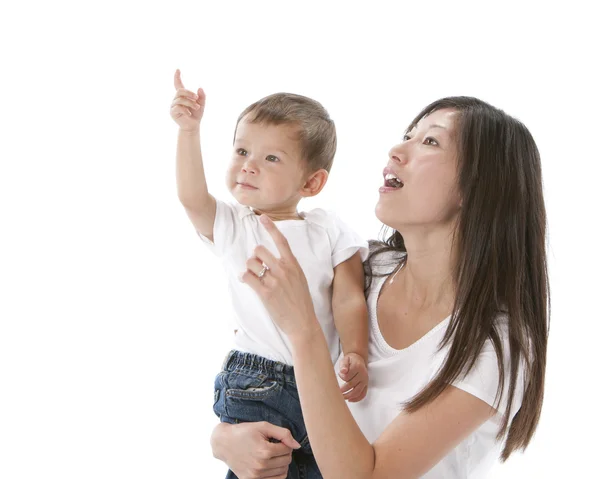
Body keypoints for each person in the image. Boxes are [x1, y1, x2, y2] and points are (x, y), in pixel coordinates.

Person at [209, 96, 549, 479]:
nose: (397, 150)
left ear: (474, 188)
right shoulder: (362, 270)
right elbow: (267, 368)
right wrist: (226, 438)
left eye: (430, 142)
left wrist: (303, 330)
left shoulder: (495, 346)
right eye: (408, 134)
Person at [170, 70, 370, 478]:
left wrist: (355, 353)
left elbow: (349, 296)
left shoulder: (328, 228)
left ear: (312, 182)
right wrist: (189, 131)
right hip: (257, 382)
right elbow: (191, 196)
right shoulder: (236, 225)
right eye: (241, 151)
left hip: (322, 387)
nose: (248, 167)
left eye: (271, 158)